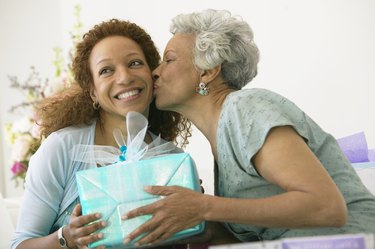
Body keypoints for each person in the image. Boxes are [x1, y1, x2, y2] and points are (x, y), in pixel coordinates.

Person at [123, 9, 375, 246]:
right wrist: (183, 222)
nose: (155, 71)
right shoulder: (221, 137)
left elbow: (326, 207)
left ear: (208, 71)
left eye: (169, 59)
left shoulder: (244, 107)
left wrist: (204, 206)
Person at [10, 18, 192, 249]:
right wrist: (66, 238)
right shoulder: (62, 148)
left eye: (135, 63)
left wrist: (192, 215)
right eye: (106, 70)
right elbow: (20, 245)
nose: (124, 77)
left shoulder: (174, 159)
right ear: (93, 92)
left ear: (151, 74)